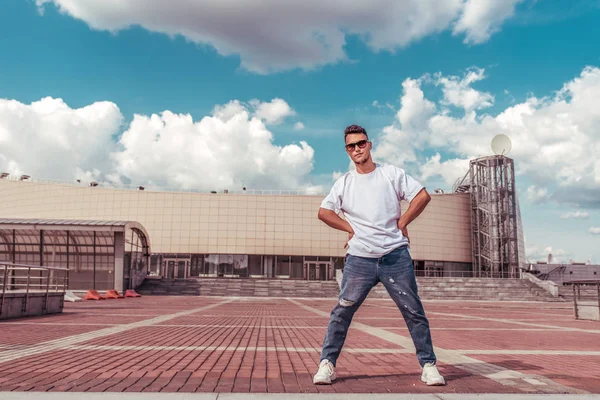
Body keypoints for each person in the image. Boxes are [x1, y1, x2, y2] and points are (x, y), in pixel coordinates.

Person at [312, 124, 445, 386]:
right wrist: (349, 228)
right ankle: (327, 364)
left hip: (395, 257)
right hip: (359, 259)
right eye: (351, 146)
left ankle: (429, 366)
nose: (357, 149)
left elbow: (422, 196)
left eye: (361, 143)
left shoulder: (391, 174)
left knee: (413, 311)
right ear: (347, 151)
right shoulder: (345, 183)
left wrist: (403, 221)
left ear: (370, 145)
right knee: (342, 312)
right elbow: (324, 212)